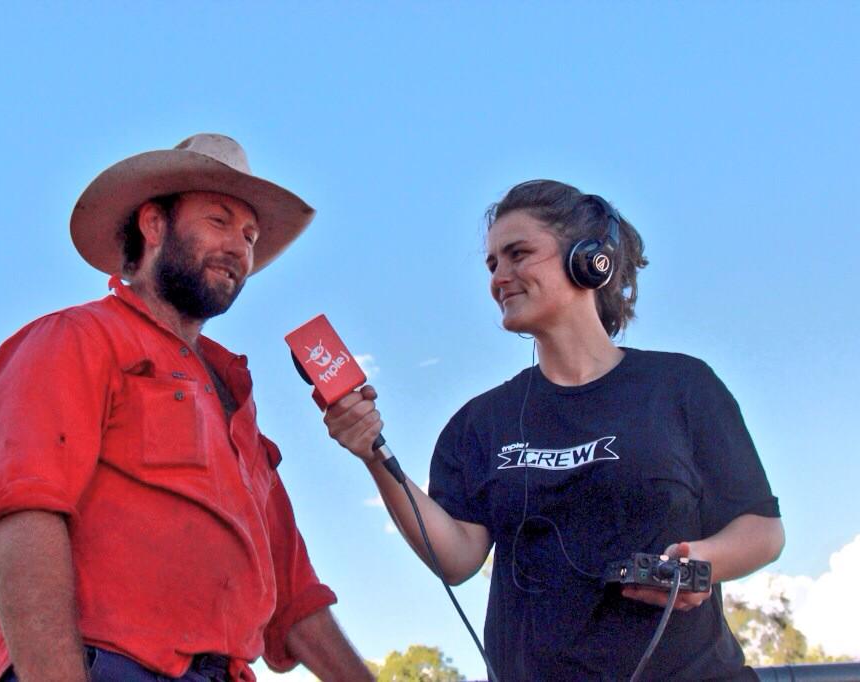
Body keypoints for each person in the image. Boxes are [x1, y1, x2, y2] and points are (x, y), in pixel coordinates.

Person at [324, 180, 785, 680]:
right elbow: (455, 559)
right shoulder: (479, 424)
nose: (500, 276)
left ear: (590, 261)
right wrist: (373, 454)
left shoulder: (682, 386)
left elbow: (761, 529)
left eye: (518, 253)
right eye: (492, 264)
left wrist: (699, 565)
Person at [0, 134, 373, 682]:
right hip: (101, 663)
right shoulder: (75, 339)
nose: (239, 248)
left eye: (250, 236)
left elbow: (296, 599)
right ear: (154, 226)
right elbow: (25, 514)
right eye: (219, 222)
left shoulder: (235, 401)